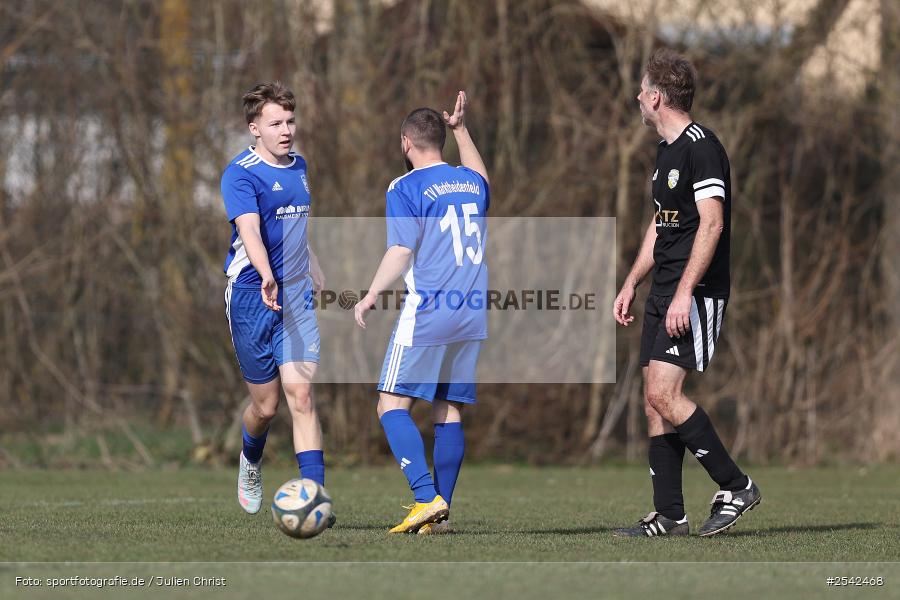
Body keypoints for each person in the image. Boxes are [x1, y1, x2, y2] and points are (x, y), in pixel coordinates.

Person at [612, 49, 761, 537]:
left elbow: (712, 223)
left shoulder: (703, 147)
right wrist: (633, 281)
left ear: (656, 97)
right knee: (651, 401)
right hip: (664, 290)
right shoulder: (665, 153)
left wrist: (682, 294)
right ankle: (670, 516)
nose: (636, 98)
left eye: (641, 90)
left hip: (694, 292)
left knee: (664, 393)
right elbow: (663, 224)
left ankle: (736, 485)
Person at [354, 91, 489, 534]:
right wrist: (462, 130)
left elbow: (400, 247)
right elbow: (480, 175)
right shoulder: (470, 183)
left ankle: (423, 497)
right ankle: (440, 513)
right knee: (447, 409)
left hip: (430, 310)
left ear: (405, 144)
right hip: (470, 312)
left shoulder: (405, 186)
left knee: (390, 403)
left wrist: (372, 292)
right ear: (442, 142)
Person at [221, 82, 331, 521]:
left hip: (297, 293)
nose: (286, 130)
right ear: (255, 128)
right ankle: (251, 461)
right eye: (276, 123)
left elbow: (297, 228)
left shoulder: (300, 166)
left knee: (301, 396)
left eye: (290, 121)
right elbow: (250, 229)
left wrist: (314, 263)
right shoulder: (240, 173)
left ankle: (315, 498)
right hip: (251, 292)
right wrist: (267, 276)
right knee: (265, 407)